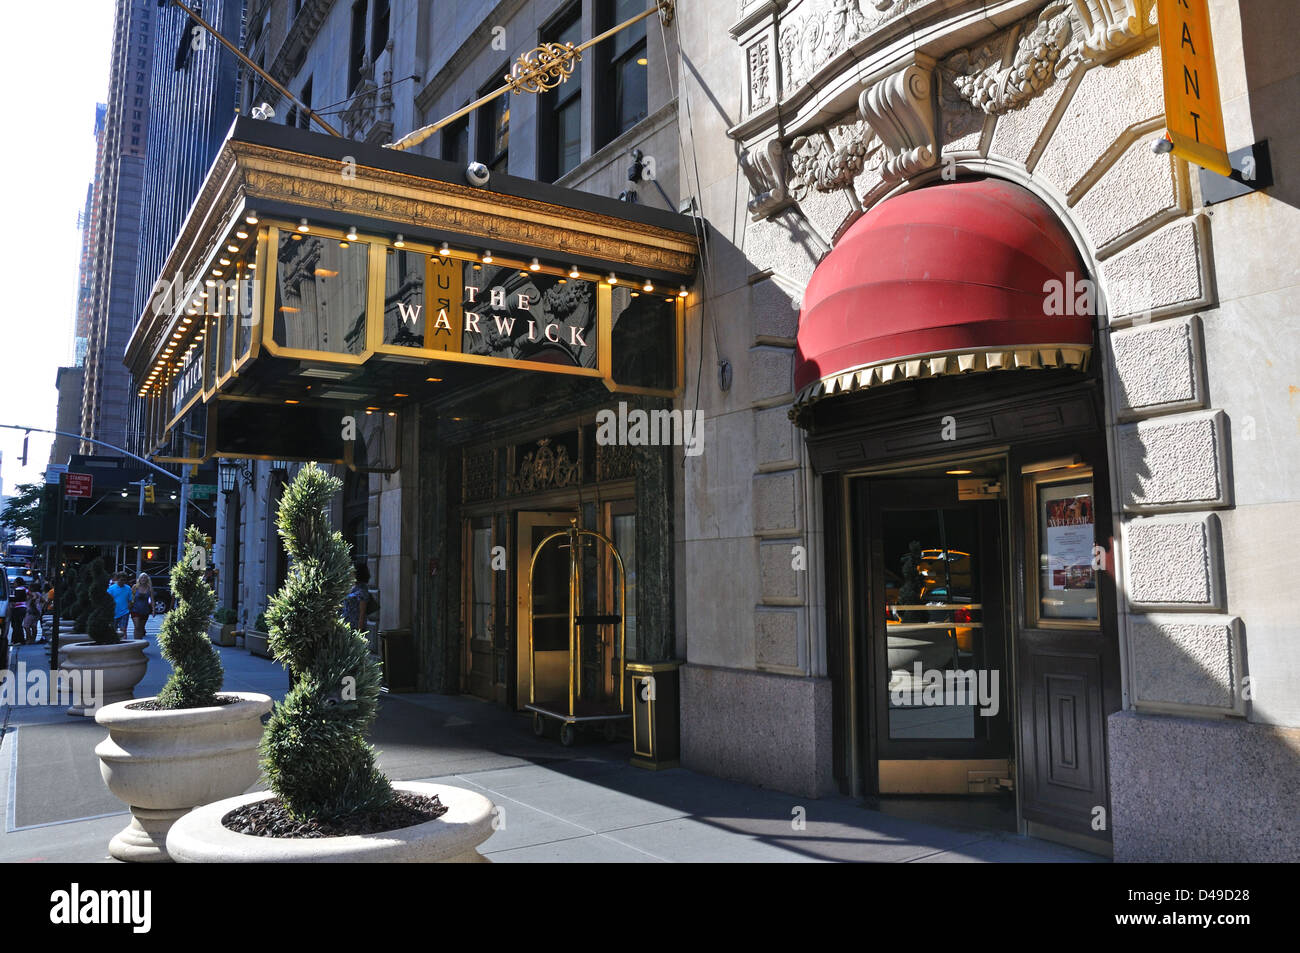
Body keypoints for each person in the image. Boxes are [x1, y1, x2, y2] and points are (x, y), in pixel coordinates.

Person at [341, 561, 370, 631]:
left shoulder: (362, 589)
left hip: (355, 627)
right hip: (345, 625)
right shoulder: (352, 587)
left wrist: (359, 631)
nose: (349, 572)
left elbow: (362, 612)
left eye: (352, 571)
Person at [107, 573, 133, 639]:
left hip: (124, 612)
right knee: (113, 630)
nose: (122, 582)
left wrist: (129, 609)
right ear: (117, 579)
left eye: (124, 580)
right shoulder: (111, 588)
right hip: (114, 612)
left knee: (123, 630)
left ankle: (124, 643)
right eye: (121, 580)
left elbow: (130, 600)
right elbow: (108, 600)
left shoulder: (128, 588)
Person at [129, 574, 154, 641]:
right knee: (137, 627)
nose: (143, 579)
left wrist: (153, 610)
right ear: (139, 579)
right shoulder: (135, 587)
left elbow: (152, 600)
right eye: (142, 578)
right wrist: (129, 606)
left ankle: (139, 643)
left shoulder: (149, 588)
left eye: (145, 578)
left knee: (141, 628)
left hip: (145, 610)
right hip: (135, 610)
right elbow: (130, 597)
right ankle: (135, 642)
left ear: (147, 579)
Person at [8, 575, 28, 645]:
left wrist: (9, 598)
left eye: (15, 582)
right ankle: (18, 640)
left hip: (18, 608)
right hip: (23, 607)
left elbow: (17, 598)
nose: (14, 584)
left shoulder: (19, 589)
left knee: (16, 625)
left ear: (18, 583)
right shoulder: (25, 589)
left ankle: (17, 640)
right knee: (18, 625)